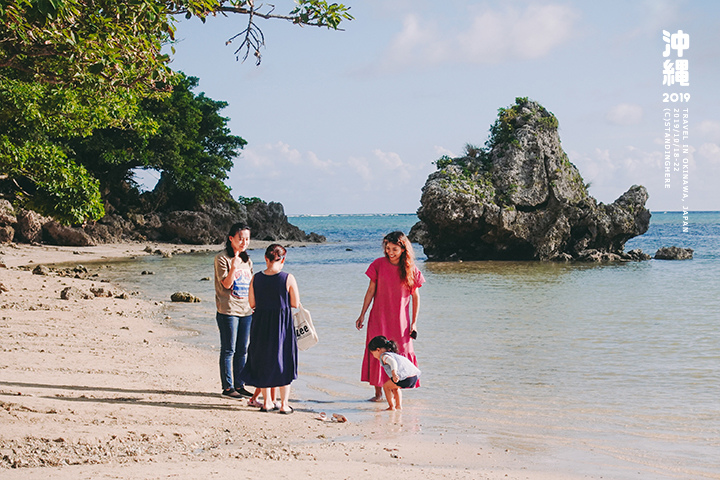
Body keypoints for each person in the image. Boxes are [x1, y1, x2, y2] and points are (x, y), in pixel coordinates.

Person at [356, 231, 425, 402]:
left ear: (403, 249)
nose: (390, 252)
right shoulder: (378, 264)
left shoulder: (411, 269)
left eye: (395, 249)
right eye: (388, 248)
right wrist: (362, 314)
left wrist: (414, 323)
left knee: (400, 354)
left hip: (401, 320)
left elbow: (415, 297)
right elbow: (371, 290)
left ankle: (396, 394)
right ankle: (379, 394)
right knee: (378, 352)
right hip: (378, 317)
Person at [239, 244, 300, 414]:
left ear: (266, 259)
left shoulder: (256, 278)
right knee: (284, 360)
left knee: (263, 360)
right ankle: (284, 404)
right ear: (283, 259)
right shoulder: (288, 278)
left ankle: (267, 402)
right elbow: (294, 303)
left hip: (261, 322)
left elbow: (252, 304)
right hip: (281, 323)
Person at [214, 223, 254, 399]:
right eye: (241, 238)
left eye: (247, 239)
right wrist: (234, 266)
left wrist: (255, 305)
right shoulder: (222, 258)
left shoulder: (248, 260)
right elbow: (227, 284)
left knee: (242, 350)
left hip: (246, 310)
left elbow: (251, 286)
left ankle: (240, 384)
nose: (244, 242)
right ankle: (228, 387)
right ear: (231, 239)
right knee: (228, 349)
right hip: (228, 310)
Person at [368, 336, 421, 411]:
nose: (373, 356)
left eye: (373, 353)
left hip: (405, 377)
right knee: (395, 388)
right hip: (413, 376)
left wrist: (394, 373)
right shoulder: (393, 354)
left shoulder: (384, 356)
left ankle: (391, 407)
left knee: (386, 386)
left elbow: (393, 362)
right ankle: (399, 406)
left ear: (378, 350)